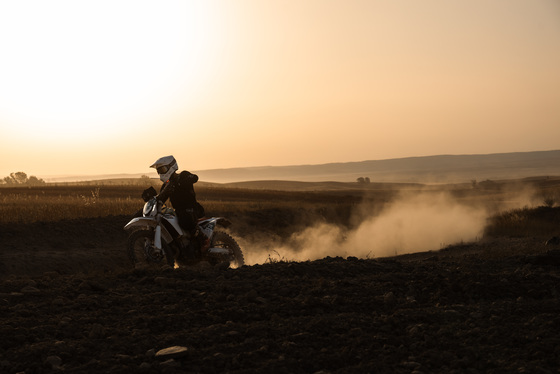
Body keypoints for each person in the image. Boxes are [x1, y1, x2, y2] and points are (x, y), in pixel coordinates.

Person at [149, 155, 207, 257]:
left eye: (162, 169)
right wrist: (151, 201)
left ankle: (203, 239)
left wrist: (183, 181)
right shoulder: (167, 185)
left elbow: (195, 178)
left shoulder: (183, 175)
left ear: (171, 166)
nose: (161, 172)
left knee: (185, 219)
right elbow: (161, 198)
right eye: (159, 171)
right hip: (179, 211)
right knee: (167, 219)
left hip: (192, 209)